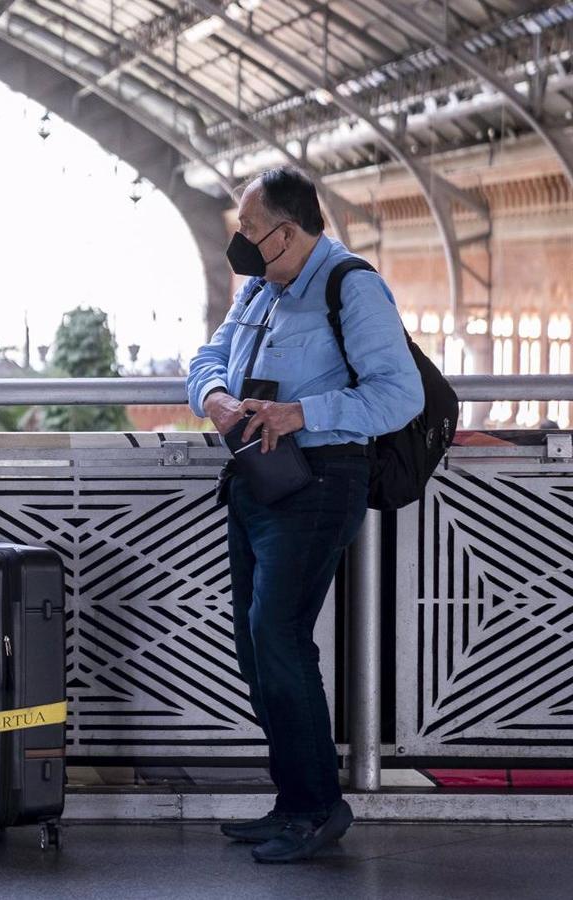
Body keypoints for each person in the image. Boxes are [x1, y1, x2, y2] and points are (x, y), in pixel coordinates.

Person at [187, 168, 423, 864]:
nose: (240, 241)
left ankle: (319, 806)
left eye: (249, 229)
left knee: (279, 635)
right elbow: (208, 356)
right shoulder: (260, 289)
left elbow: (399, 395)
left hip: (320, 481)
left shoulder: (351, 286)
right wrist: (216, 397)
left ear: (286, 233)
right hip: (257, 480)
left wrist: (300, 412)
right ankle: (292, 802)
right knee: (253, 643)